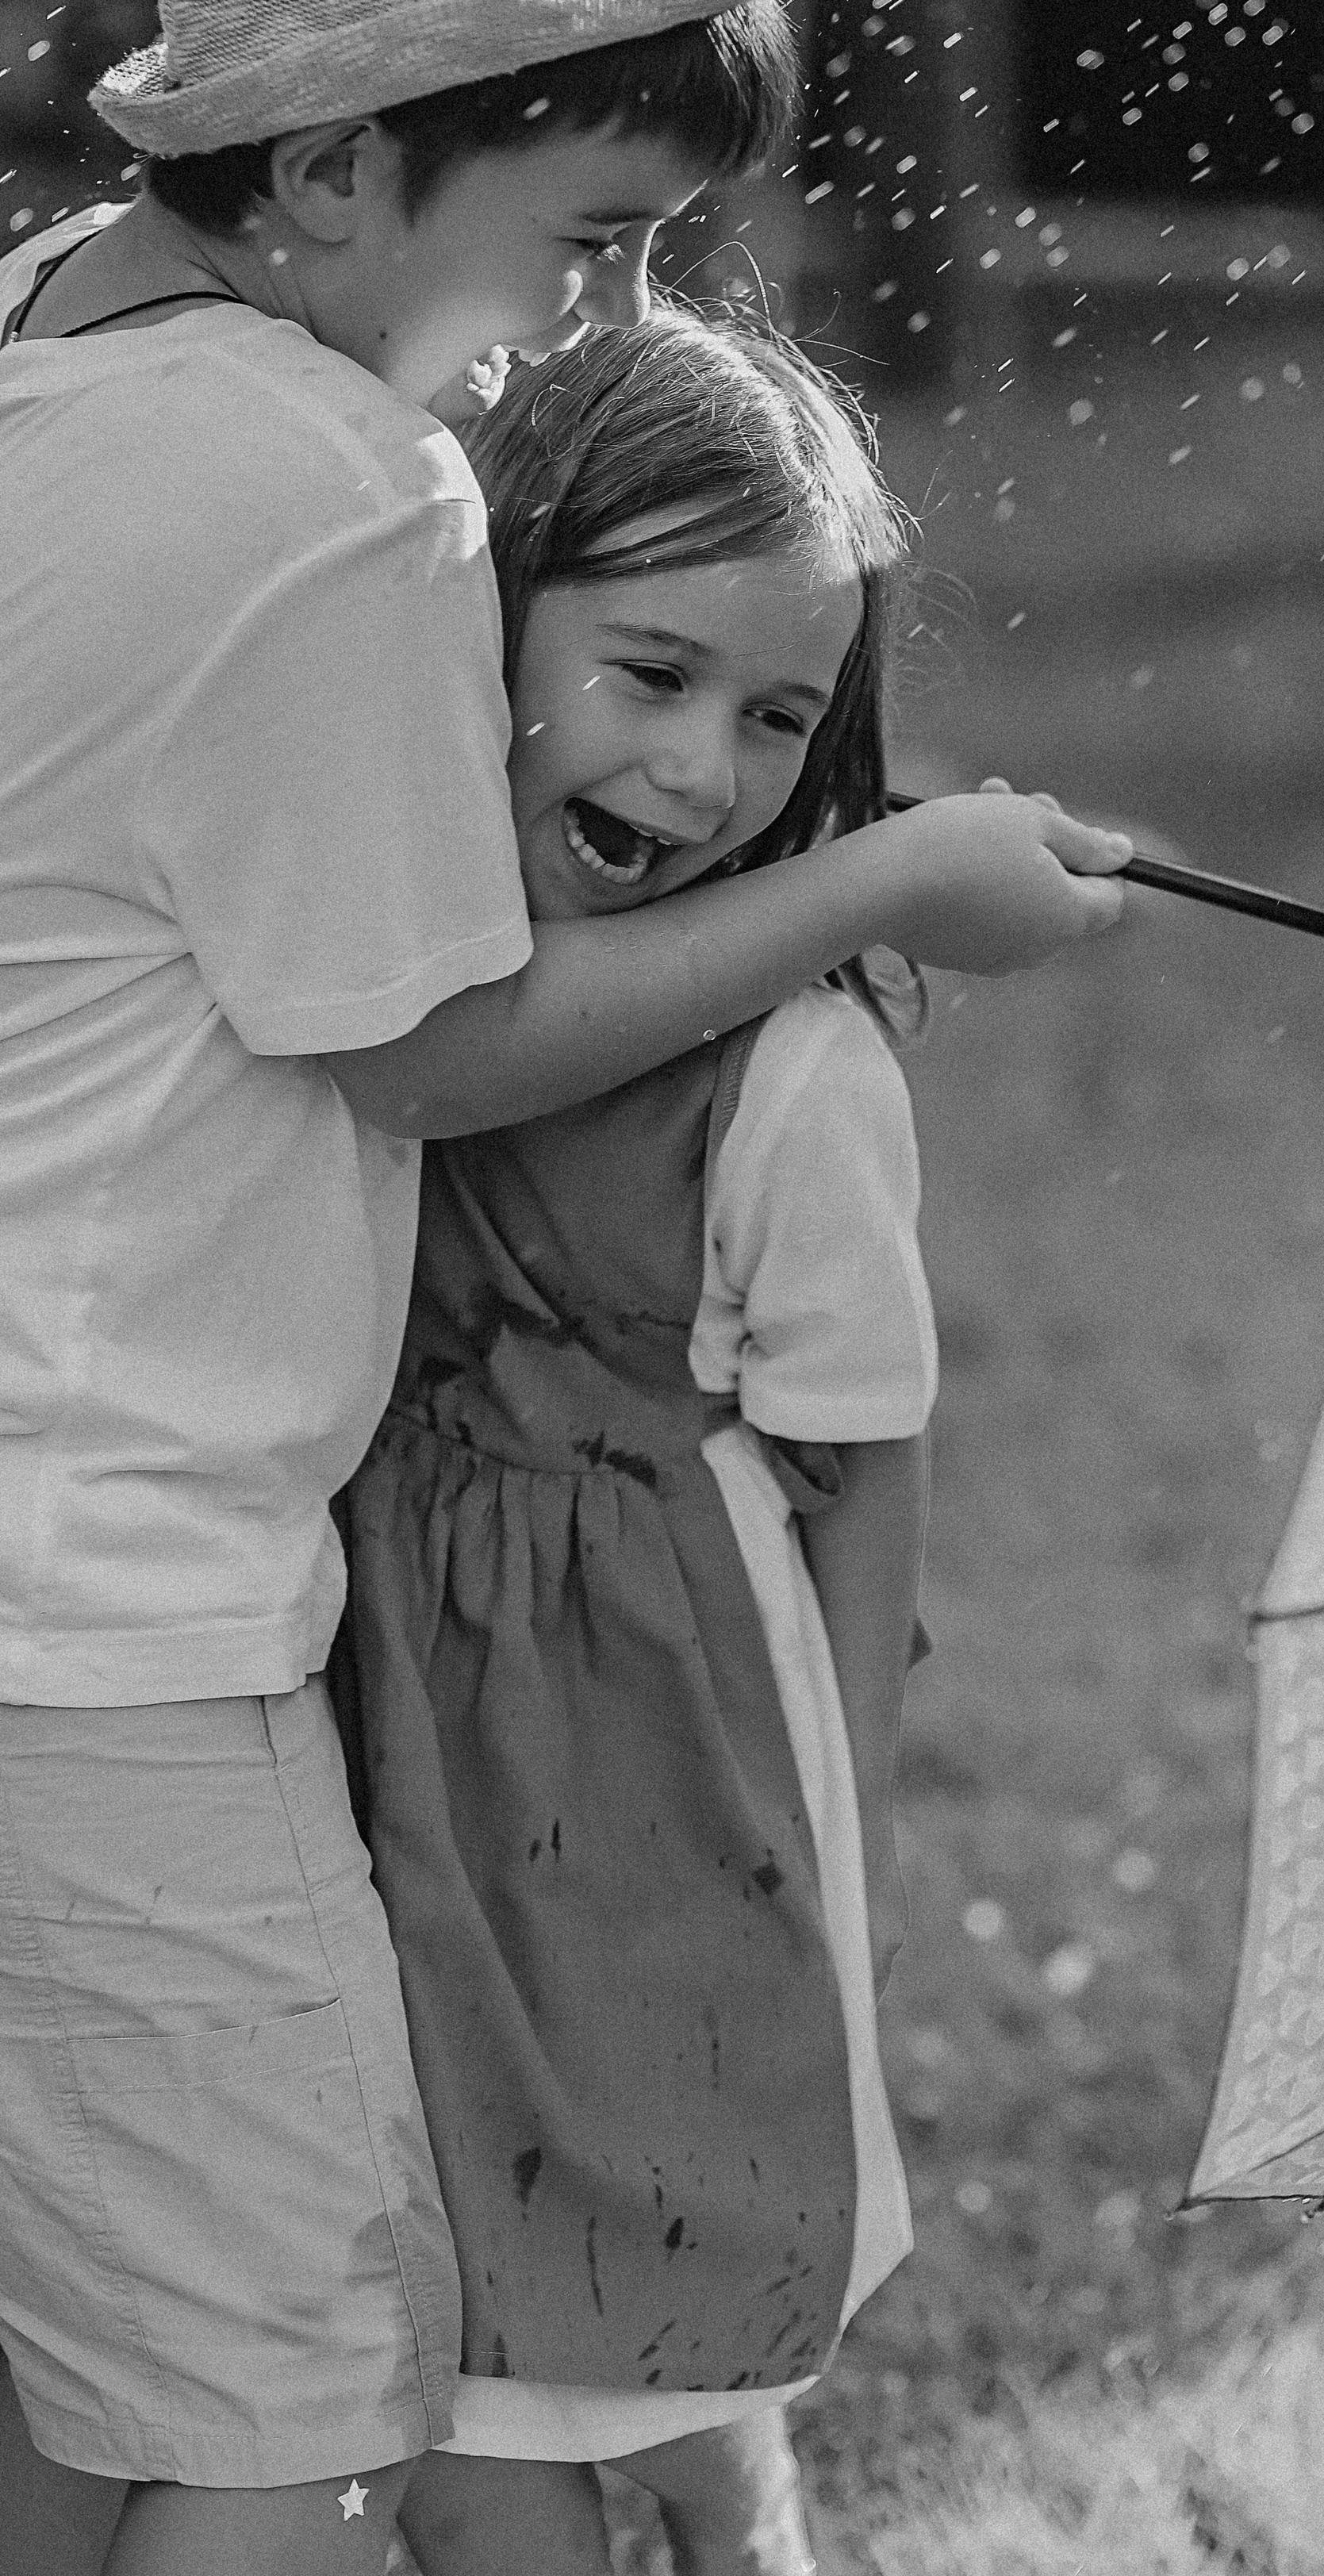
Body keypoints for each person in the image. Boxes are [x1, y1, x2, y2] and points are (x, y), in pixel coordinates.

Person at [0, 0, 1126, 2576]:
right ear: (350, 162)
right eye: (589, 241)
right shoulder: (332, 491)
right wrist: (889, 888)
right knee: (281, 2403)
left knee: (76, 2375)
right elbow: (431, 1041)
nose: (598, 335)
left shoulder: (53, 346)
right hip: (105, 1613)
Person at [341, 302, 942, 2576]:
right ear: (483, 612)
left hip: (670, 1736)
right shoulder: (367, 961)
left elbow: (866, 1463)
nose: (704, 777)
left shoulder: (791, 1076)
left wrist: (855, 1818)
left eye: (780, 716)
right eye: (650, 674)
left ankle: (735, 2507)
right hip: (393, 1701)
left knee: (674, 2270)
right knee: (479, 2331)